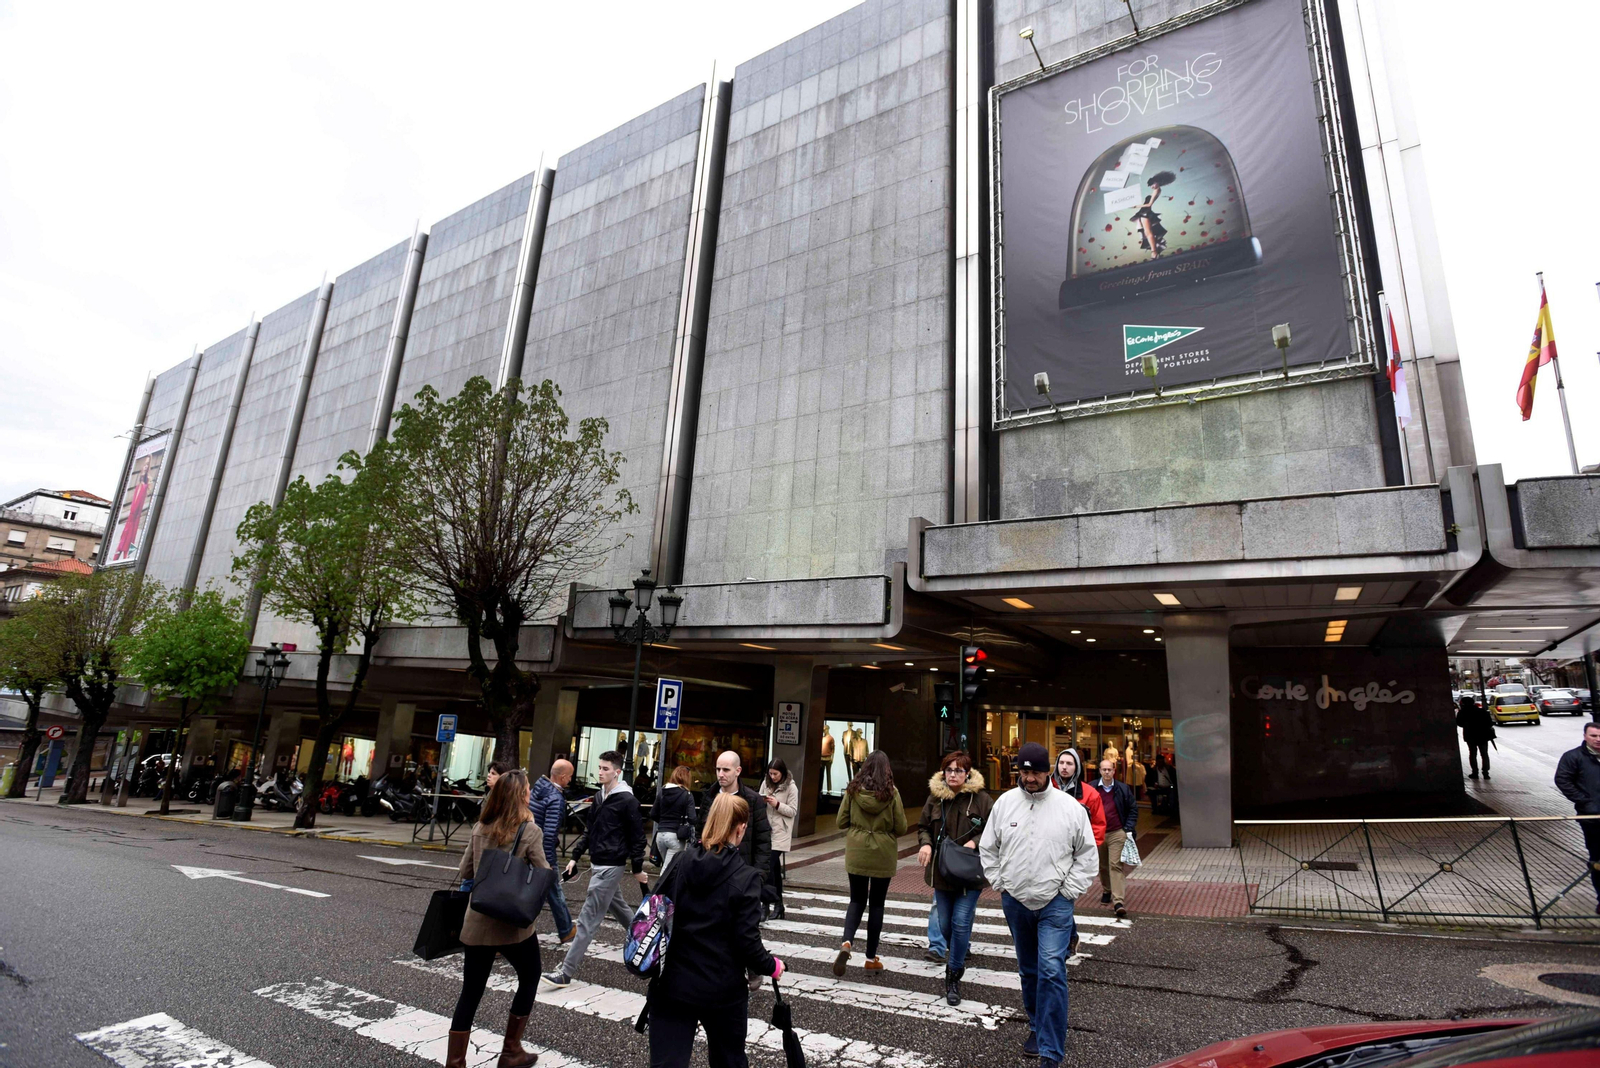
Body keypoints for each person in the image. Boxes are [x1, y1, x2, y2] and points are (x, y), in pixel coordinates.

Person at [980, 742, 1098, 1068]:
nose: (1030, 778)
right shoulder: (1005, 804)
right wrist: (1000, 883)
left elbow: (1087, 855)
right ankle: (1036, 1026)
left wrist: (1068, 891)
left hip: (1055, 904)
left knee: (1051, 970)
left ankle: (1051, 1051)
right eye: (1025, 771)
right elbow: (989, 848)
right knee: (1029, 972)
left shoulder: (1069, 808)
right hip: (1016, 901)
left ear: (1048, 771)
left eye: (1036, 771)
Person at [647, 792, 785, 1068]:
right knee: (728, 1060)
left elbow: (656, 911)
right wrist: (773, 965)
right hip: (721, 987)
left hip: (672, 981)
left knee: (666, 1063)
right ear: (741, 827)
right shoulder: (745, 879)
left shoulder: (679, 863)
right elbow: (747, 942)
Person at [445, 769, 551, 1068]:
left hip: (478, 921)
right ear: (521, 795)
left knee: (471, 991)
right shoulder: (530, 831)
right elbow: (541, 871)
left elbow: (466, 871)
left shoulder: (481, 826)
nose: (530, 792)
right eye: (527, 789)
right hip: (512, 924)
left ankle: (455, 1063)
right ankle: (511, 1050)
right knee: (530, 976)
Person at [541, 751, 645, 988]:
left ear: (617, 771)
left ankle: (566, 972)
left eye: (605, 768)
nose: (600, 772)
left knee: (587, 919)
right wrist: (575, 857)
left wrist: (637, 868)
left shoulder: (627, 801)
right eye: (599, 767)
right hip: (598, 863)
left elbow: (638, 837)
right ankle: (643, 939)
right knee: (618, 906)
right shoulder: (599, 797)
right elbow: (590, 830)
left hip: (611, 865)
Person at [917, 750, 992, 1005]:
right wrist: (925, 844)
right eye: (949, 770)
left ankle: (953, 975)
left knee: (960, 922)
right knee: (946, 924)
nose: (953, 774)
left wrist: (975, 842)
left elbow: (995, 830)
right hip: (942, 872)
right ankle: (958, 951)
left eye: (958, 770)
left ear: (967, 773)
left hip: (970, 872)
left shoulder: (981, 799)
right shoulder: (935, 798)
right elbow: (923, 827)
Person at [832, 750, 908, 976]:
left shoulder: (853, 791)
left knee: (856, 900)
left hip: (857, 851)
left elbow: (840, 822)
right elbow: (902, 827)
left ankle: (847, 942)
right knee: (876, 904)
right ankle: (870, 957)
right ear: (887, 771)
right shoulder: (892, 793)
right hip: (882, 853)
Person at [1050, 748, 1103, 957]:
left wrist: (1089, 852)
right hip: (1050, 854)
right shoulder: (1047, 789)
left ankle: (1064, 942)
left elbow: (1098, 826)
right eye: (1061, 763)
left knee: (1063, 898)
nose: (1064, 767)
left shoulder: (1090, 794)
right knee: (1054, 899)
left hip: (1073, 857)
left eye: (1069, 764)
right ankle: (1069, 937)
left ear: (1077, 767)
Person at [696, 751, 773, 894]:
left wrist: (758, 877)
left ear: (738, 771)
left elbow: (763, 841)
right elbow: (699, 833)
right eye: (718, 769)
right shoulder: (709, 796)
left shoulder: (752, 800)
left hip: (741, 874)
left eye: (726, 770)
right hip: (711, 872)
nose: (720, 774)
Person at [1554, 722, 1600, 914]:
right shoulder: (1573, 757)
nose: (1598, 740)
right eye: (1594, 736)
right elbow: (1563, 780)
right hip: (1593, 819)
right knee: (1598, 860)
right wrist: (1586, 802)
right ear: (1585, 736)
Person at [529, 758, 576, 943]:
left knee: (547, 891)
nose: (570, 780)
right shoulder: (556, 799)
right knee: (548, 891)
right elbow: (549, 833)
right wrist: (549, 861)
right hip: (541, 853)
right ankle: (565, 930)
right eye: (570, 776)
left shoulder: (537, 789)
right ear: (563, 777)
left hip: (529, 848)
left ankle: (566, 928)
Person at [1092, 756, 1137, 919]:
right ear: (1099, 771)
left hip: (1117, 832)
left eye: (1109, 769)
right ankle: (1106, 890)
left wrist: (1126, 829)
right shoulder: (1092, 788)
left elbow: (1133, 809)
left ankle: (1118, 902)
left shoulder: (1123, 789)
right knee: (1103, 865)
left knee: (1115, 865)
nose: (1106, 772)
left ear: (1114, 771)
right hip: (1099, 832)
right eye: (1103, 769)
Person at [757, 757, 798, 920]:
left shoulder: (791, 787)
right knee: (774, 870)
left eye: (775, 774)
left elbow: (793, 811)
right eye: (770, 773)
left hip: (781, 832)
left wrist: (777, 804)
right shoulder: (766, 783)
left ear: (782, 772)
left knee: (766, 867)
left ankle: (765, 905)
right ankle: (779, 906)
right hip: (766, 830)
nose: (772, 777)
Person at [653, 764, 698, 878]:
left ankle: (668, 894)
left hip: (660, 835)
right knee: (667, 871)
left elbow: (653, 813)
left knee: (668, 866)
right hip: (676, 837)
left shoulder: (662, 791)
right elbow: (692, 818)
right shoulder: (687, 794)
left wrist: (663, 821)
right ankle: (658, 894)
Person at [1457, 695, 1496, 780]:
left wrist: (1467, 725)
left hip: (1470, 735)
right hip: (1482, 735)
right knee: (1484, 754)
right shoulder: (1481, 711)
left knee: (1472, 753)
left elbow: (1459, 723)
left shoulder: (1462, 712)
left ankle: (1475, 772)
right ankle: (1485, 772)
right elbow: (1489, 723)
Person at [820, 725, 836, 792]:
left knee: (828, 774)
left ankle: (829, 789)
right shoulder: (822, 738)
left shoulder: (831, 738)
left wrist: (832, 758)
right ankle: (820, 789)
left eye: (825, 729)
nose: (824, 731)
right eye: (823, 729)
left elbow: (833, 749)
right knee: (821, 775)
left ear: (828, 729)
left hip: (828, 758)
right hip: (821, 759)